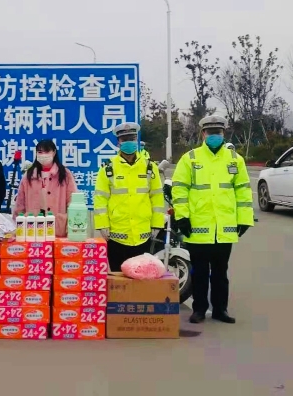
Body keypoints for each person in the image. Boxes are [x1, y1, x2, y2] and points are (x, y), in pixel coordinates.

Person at [172, 115, 253, 324]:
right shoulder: (190, 159)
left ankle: (220, 310)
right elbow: (179, 189)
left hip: (224, 228)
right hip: (197, 227)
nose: (214, 136)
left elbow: (243, 191)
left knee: (220, 272)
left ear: (224, 133)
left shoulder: (235, 159)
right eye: (211, 132)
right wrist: (182, 217)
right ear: (203, 134)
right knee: (199, 272)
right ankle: (199, 309)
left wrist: (244, 218)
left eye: (218, 132)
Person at [93, 123, 164, 272]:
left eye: (131, 138)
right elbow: (100, 199)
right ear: (118, 143)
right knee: (119, 282)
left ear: (137, 140)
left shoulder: (150, 167)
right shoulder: (108, 168)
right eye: (124, 139)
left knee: (141, 279)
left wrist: (157, 224)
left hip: (143, 236)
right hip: (116, 236)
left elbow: (157, 197)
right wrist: (102, 225)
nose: (129, 142)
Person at [13, 140, 77, 237]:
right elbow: (20, 205)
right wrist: (16, 229)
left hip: (58, 229)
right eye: (40, 152)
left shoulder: (65, 174)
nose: (43, 155)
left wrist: (72, 229)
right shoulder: (29, 175)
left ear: (54, 152)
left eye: (47, 152)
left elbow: (72, 203)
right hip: (32, 230)